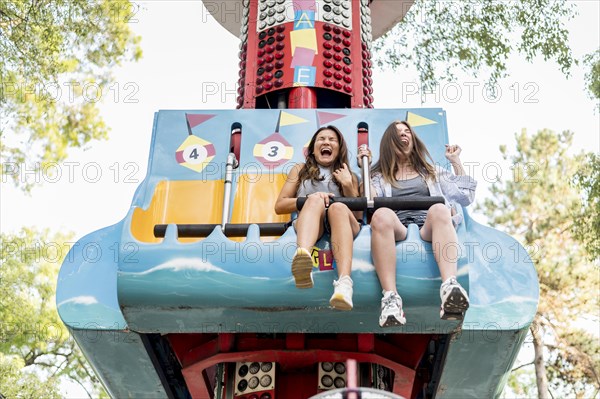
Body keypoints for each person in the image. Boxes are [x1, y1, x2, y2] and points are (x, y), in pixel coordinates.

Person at [357, 120, 477, 327]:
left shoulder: (432, 171)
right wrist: (365, 170)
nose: (404, 135)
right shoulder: (378, 176)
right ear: (390, 142)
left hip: (428, 226)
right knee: (381, 214)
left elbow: (465, 197)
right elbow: (369, 200)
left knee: (440, 208)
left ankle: (449, 286)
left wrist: (455, 161)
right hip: (398, 227)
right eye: (398, 133)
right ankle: (390, 298)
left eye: (407, 132)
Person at [275, 126, 361, 310]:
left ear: (339, 148)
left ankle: (345, 282)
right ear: (313, 148)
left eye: (332, 139)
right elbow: (280, 205)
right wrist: (309, 199)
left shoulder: (349, 174)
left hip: (342, 222)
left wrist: (347, 185)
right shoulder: (300, 169)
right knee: (314, 199)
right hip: (312, 220)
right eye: (321, 139)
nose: (326, 142)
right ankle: (303, 258)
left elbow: (358, 215)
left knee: (338, 208)